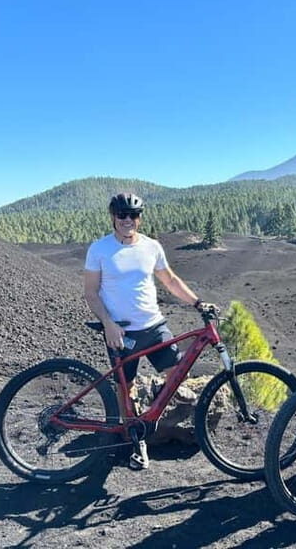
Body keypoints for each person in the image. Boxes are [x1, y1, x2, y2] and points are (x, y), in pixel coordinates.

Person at [83, 192, 206, 468]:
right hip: (121, 332)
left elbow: (170, 280)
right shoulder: (99, 249)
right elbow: (91, 293)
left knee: (177, 375)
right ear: (113, 217)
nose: (127, 220)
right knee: (124, 390)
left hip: (153, 326)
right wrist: (108, 324)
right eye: (122, 215)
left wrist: (198, 302)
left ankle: (152, 414)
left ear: (139, 218)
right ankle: (133, 440)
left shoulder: (152, 247)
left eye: (133, 215)